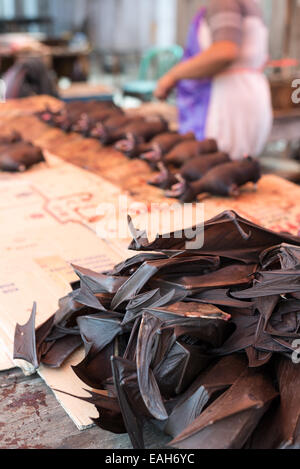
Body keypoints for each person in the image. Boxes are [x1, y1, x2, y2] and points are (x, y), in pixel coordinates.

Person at [154, 0, 273, 160]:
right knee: (236, 166)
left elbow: (225, 52)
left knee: (218, 165)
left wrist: (172, 75)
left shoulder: (225, 2)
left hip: (226, 101)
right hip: (243, 95)